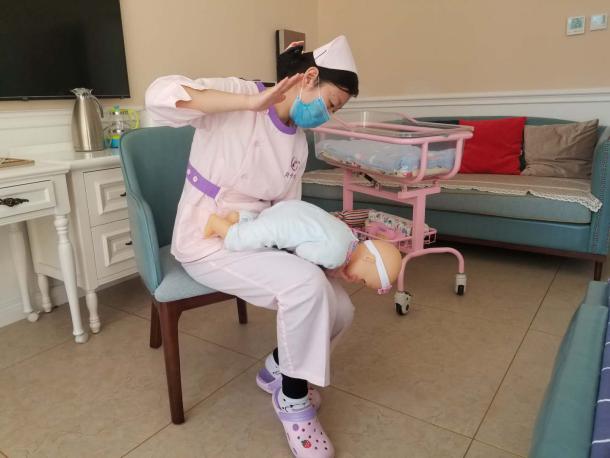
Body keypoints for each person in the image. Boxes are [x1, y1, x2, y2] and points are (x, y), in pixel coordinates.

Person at [145, 36, 359, 458]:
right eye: (331, 104)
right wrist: (249, 104)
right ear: (309, 78)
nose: (327, 115)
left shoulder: (297, 142)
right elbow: (158, 96)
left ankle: (277, 368)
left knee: (342, 307)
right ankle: (292, 400)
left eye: (335, 110)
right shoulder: (240, 94)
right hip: (207, 237)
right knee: (305, 289)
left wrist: (321, 254)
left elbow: (288, 213)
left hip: (259, 235)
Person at [203, 200, 403, 292]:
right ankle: (217, 224)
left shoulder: (349, 236)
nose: (357, 281)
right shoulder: (337, 256)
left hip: (291, 209)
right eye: (364, 280)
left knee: (260, 224)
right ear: (369, 259)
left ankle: (238, 217)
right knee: (243, 239)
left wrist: (340, 270)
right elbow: (303, 251)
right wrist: (334, 267)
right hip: (283, 226)